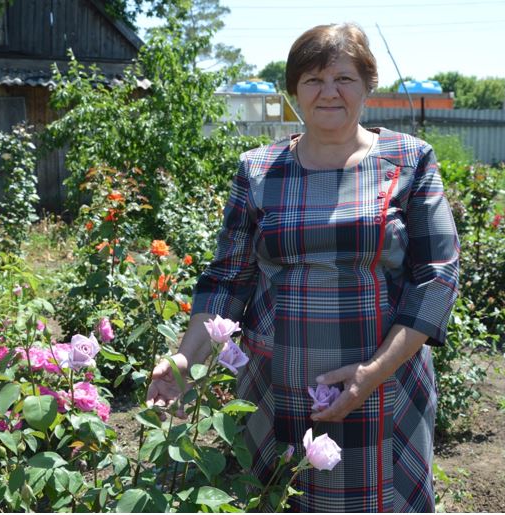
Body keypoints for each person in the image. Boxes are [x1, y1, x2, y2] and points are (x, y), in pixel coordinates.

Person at [147, 22, 460, 513]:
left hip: (383, 380)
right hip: (276, 382)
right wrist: (187, 360)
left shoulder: (409, 160)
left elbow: (437, 275)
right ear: (293, 90)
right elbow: (228, 277)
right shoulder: (258, 169)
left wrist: (374, 371)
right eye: (313, 80)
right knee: (282, 498)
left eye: (344, 79)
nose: (328, 92)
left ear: (368, 85)